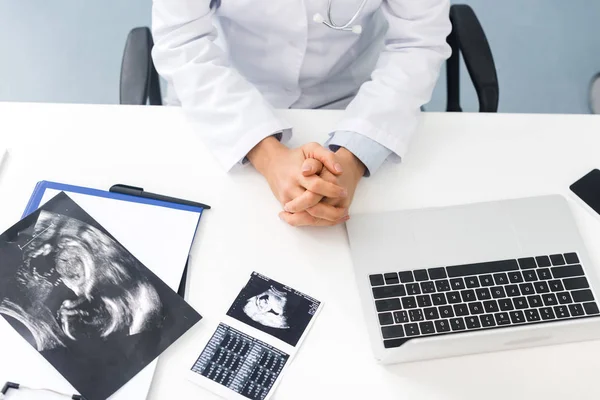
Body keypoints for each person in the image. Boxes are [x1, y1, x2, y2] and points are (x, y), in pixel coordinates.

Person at [151, 0, 451, 227]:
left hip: (353, 99)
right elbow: (182, 40)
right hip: (225, 99)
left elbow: (417, 43)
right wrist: (268, 155)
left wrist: (353, 157)